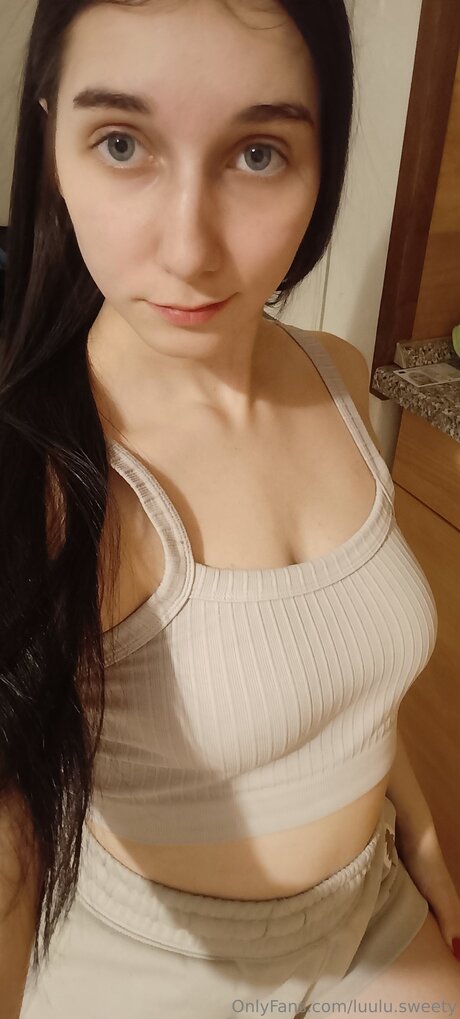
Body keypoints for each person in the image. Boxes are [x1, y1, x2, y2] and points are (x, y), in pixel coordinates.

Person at [0, 1, 459, 1016]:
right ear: (52, 143)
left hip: (369, 913)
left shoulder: (338, 376)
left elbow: (351, 676)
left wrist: (420, 833)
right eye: (123, 143)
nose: (189, 247)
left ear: (322, 158)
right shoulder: (45, 483)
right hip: (155, 968)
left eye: (258, 153)